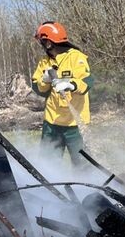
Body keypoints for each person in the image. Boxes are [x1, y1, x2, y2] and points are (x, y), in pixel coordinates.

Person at [31, 21, 94, 166]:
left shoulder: (76, 57)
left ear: (48, 43)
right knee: (47, 165)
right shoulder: (44, 62)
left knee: (83, 166)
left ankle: (87, 189)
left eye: (42, 40)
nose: (41, 44)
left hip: (76, 124)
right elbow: (37, 87)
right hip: (52, 124)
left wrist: (70, 84)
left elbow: (87, 81)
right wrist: (45, 80)